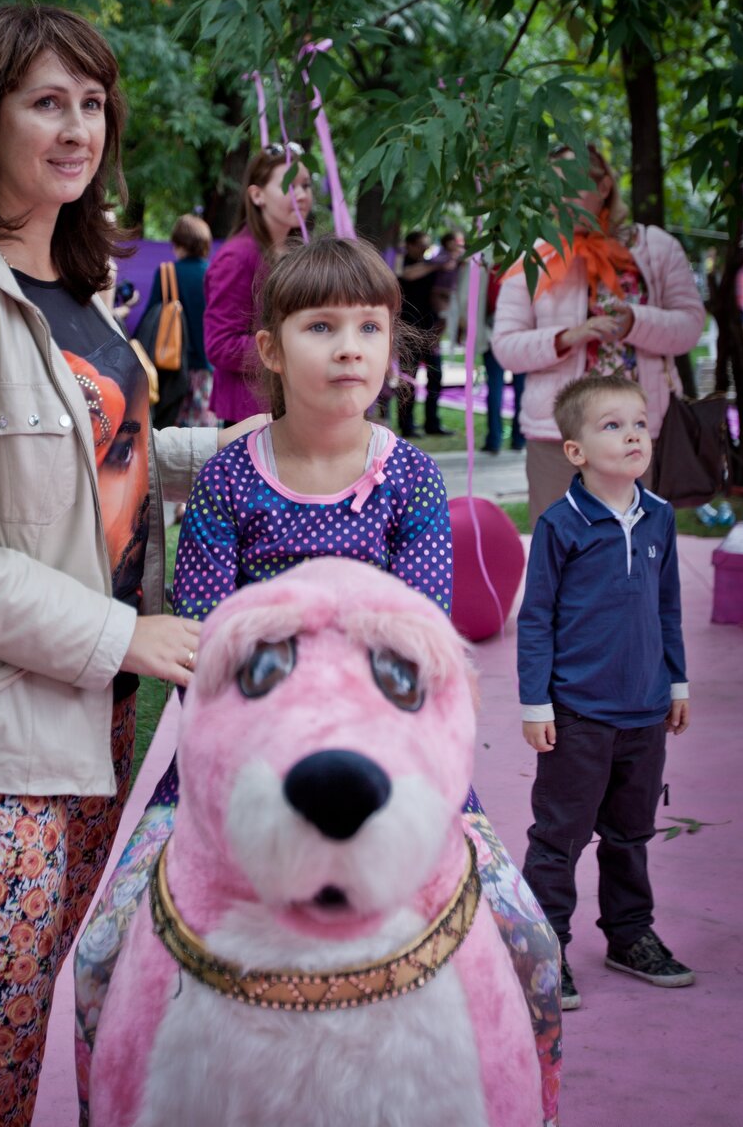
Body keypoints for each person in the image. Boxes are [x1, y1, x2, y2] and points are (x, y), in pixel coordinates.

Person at [0, 3, 260, 1124]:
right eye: (46, 103)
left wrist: (254, 446)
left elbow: (103, 461)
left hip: (90, 712)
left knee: (26, 1017)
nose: (78, 128)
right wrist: (126, 633)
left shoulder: (75, 289)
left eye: (92, 103)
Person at [76, 236, 563, 1127]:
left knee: (529, 942)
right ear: (269, 348)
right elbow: (206, 653)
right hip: (235, 768)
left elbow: (416, 648)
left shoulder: (408, 480)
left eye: (369, 328)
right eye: (321, 327)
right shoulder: (228, 480)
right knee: (101, 955)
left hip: (396, 765)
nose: (349, 348)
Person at [518, 372, 693, 1013]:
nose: (632, 435)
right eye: (613, 426)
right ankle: (545, 949)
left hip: (645, 711)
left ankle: (629, 935)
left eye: (639, 423)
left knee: (631, 833)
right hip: (577, 714)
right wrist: (536, 703)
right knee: (561, 837)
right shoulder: (560, 525)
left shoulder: (660, 517)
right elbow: (536, 619)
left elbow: (667, 606)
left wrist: (676, 682)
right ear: (576, 451)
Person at [492, 143, 705, 527]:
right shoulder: (535, 255)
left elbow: (689, 326)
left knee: (638, 546)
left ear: (604, 186)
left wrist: (635, 322)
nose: (561, 197)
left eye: (571, 184)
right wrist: (567, 336)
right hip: (559, 433)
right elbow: (506, 347)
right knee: (560, 546)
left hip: (639, 432)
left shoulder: (655, 247)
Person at [204, 144, 313, 425]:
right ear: (257, 195)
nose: (302, 195)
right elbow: (220, 345)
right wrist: (292, 348)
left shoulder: (297, 252)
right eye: (289, 186)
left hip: (292, 408)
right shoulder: (237, 257)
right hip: (251, 415)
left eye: (306, 185)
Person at [139, 213, 216, 430]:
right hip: (208, 369)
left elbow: (150, 320)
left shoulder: (167, 273)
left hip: (172, 367)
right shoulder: (214, 274)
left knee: (171, 433)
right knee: (205, 437)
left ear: (178, 243)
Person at [394, 229, 456, 437]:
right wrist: (437, 264)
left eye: (427, 245)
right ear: (410, 245)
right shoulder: (402, 263)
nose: (425, 249)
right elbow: (408, 274)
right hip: (408, 330)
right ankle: (406, 425)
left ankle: (432, 423)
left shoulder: (430, 267)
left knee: (435, 376)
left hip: (430, 330)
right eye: (421, 245)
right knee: (408, 380)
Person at [480, 263, 525, 454]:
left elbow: (487, 302)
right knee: (520, 389)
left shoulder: (493, 270)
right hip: (520, 336)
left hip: (496, 334)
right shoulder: (525, 268)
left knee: (495, 388)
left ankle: (494, 439)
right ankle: (518, 438)